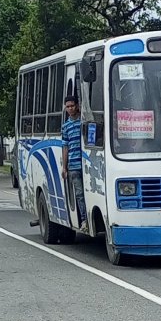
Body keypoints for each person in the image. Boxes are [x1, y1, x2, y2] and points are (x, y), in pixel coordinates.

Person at [62, 95, 88, 233]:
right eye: (68, 106)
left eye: (72, 106)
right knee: (79, 194)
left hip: (87, 165)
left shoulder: (84, 122)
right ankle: (84, 220)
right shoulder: (65, 126)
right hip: (73, 165)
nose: (70, 108)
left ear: (77, 106)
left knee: (89, 193)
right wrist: (64, 167)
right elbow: (65, 147)